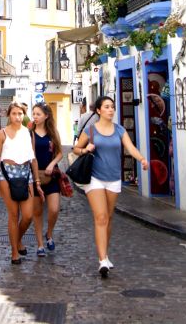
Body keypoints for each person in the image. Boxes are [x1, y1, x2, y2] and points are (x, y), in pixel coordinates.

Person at [72, 95, 148, 278]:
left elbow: (130, 148)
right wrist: (85, 150)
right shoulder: (91, 130)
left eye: (112, 107)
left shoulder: (120, 130)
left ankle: (105, 252)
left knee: (109, 217)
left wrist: (142, 159)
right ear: (99, 110)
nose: (111, 110)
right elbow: (75, 148)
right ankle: (102, 261)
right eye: (106, 107)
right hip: (94, 178)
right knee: (100, 216)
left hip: (113, 178)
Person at [0, 102, 43, 264]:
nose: (17, 116)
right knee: (14, 214)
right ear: (9, 115)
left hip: (25, 172)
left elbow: (33, 158)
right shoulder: (2, 133)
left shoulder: (29, 133)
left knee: (27, 215)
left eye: (20, 113)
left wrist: (37, 181)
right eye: (14, 113)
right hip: (7, 174)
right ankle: (14, 251)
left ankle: (18, 239)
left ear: (24, 115)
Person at [30, 102, 63, 257]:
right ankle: (40, 244)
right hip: (34, 176)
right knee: (37, 211)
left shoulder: (52, 133)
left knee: (54, 209)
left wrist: (52, 163)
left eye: (38, 114)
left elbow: (60, 153)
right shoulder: (30, 133)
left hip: (51, 177)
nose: (35, 117)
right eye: (34, 114)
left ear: (46, 116)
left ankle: (49, 234)